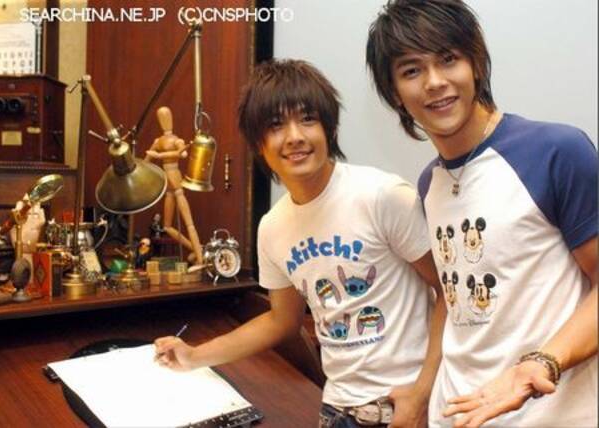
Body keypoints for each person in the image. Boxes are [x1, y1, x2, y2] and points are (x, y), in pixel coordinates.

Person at [154, 59, 446, 428]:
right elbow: (281, 321)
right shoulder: (272, 226)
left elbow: (448, 292)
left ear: (330, 128)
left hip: (403, 407)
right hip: (336, 410)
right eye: (276, 125)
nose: (294, 136)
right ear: (258, 143)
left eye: (308, 119)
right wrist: (194, 356)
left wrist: (421, 394)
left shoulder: (381, 195)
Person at [366, 1, 598, 427]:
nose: (435, 82)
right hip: (455, 414)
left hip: (549, 413)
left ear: (475, 63)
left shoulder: (556, 152)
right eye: (412, 70)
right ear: (394, 92)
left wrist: (543, 362)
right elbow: (453, 300)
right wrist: (423, 392)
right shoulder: (429, 183)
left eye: (448, 59)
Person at [145, 106, 203, 269]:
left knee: (189, 222)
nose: (165, 121)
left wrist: (160, 155)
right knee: (167, 226)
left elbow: (183, 154)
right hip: (166, 182)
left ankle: (200, 259)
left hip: (175, 178)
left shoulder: (177, 140)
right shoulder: (158, 141)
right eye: (162, 118)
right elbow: (147, 161)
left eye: (166, 117)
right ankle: (197, 249)